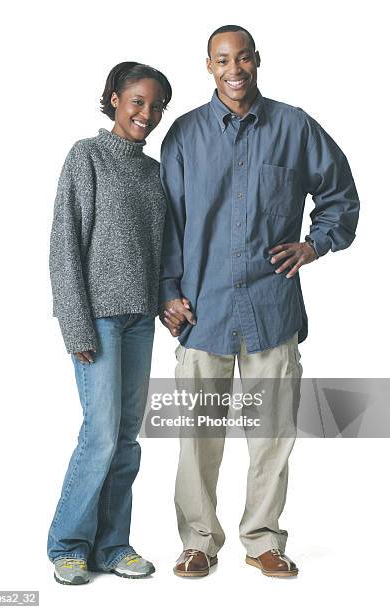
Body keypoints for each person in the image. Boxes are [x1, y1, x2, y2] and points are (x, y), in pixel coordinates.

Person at [159, 25, 359, 578]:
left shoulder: (294, 127)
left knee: (272, 434)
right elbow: (166, 224)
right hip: (201, 311)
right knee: (199, 434)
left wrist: (315, 244)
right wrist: (166, 293)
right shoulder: (184, 136)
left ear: (256, 61)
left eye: (243, 57)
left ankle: (263, 539)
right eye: (223, 59)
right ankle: (199, 539)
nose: (234, 68)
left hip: (271, 309)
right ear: (209, 66)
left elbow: (340, 193)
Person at [47, 61, 171, 585]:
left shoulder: (155, 172)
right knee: (98, 435)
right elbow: (64, 246)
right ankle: (69, 544)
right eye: (137, 102)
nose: (147, 114)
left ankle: (113, 545)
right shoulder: (87, 156)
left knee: (126, 436)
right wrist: (75, 326)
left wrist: (166, 303)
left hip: (140, 320)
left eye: (156, 105)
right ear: (115, 100)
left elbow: (162, 248)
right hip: (97, 319)